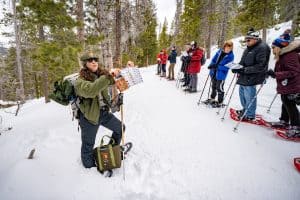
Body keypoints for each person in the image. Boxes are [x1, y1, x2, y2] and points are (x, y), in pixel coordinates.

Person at [74, 51, 124, 168]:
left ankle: (111, 151)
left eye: (95, 60)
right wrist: (108, 76)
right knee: (88, 145)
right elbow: (92, 90)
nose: (94, 62)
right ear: (85, 64)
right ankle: (89, 167)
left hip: (104, 113)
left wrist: (122, 75)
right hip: (89, 118)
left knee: (121, 128)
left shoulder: (101, 75)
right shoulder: (80, 81)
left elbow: (112, 83)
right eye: (90, 60)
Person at [232, 28, 270, 120]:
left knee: (249, 95)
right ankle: (245, 109)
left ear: (255, 39)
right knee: (242, 94)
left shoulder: (262, 48)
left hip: (254, 76)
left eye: (248, 39)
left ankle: (250, 114)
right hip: (245, 75)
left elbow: (261, 66)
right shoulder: (248, 48)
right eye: (246, 39)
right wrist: (237, 68)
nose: (246, 41)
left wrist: (245, 69)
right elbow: (242, 61)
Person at [266, 38, 300, 137]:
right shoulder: (284, 54)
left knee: (290, 104)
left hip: (293, 84)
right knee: (285, 101)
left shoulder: (290, 55)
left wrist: (276, 74)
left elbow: (294, 72)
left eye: (274, 47)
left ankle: (296, 127)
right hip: (287, 84)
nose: (273, 50)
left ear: (281, 47)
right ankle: (284, 121)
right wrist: (274, 73)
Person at [205, 40, 234, 107]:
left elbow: (227, 67)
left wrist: (218, 66)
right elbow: (214, 59)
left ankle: (220, 101)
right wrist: (211, 65)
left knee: (219, 87)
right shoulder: (219, 51)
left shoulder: (231, 56)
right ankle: (212, 98)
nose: (227, 49)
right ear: (224, 47)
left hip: (221, 74)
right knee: (213, 86)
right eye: (226, 47)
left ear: (231, 48)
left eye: (229, 48)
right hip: (214, 72)